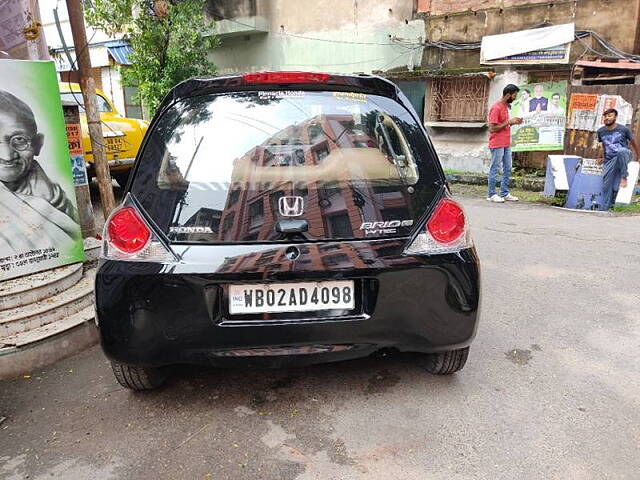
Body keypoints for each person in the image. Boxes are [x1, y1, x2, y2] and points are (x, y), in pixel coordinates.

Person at [0, 90, 79, 254]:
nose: (7, 156)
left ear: (37, 144)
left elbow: (74, 240)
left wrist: (49, 202)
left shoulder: (52, 192)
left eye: (19, 140)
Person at [596, 108, 638, 211]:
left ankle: (624, 176)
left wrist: (638, 156)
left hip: (624, 156)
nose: (607, 118)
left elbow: (633, 143)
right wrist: (602, 156)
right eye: (605, 116)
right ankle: (606, 209)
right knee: (606, 186)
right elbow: (604, 145)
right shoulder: (600, 131)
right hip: (610, 160)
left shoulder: (624, 129)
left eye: (610, 116)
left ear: (615, 117)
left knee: (621, 151)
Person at [487, 84, 522, 203]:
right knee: (495, 168)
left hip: (506, 142)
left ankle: (504, 192)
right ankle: (491, 194)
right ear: (508, 95)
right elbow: (492, 128)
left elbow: (504, 125)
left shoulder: (506, 107)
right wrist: (508, 122)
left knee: (508, 168)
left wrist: (513, 122)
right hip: (497, 143)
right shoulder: (496, 108)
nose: (515, 98)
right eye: (514, 95)